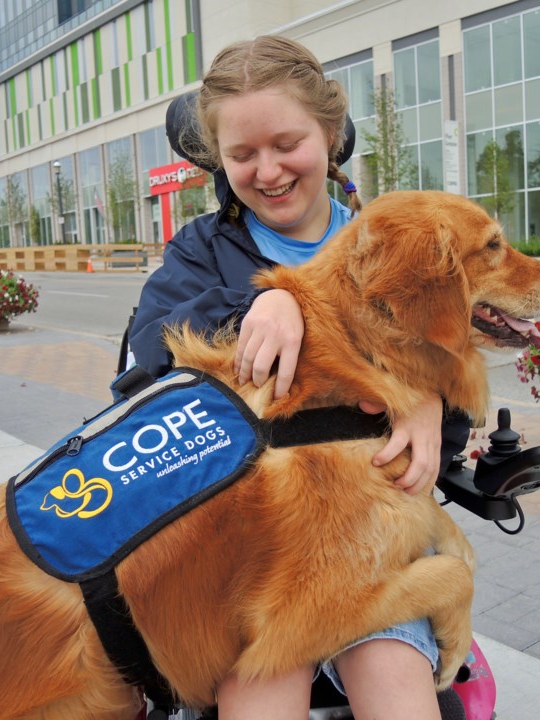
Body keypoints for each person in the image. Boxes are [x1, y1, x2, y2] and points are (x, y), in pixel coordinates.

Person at [129, 35, 471, 720]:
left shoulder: (393, 244)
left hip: (370, 536)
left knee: (398, 687)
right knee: (258, 697)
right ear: (218, 162)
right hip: (250, 547)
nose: (268, 171)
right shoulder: (201, 252)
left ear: (331, 133)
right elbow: (149, 361)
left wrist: (432, 396)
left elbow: (455, 370)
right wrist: (270, 298)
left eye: (287, 143)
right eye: (242, 155)